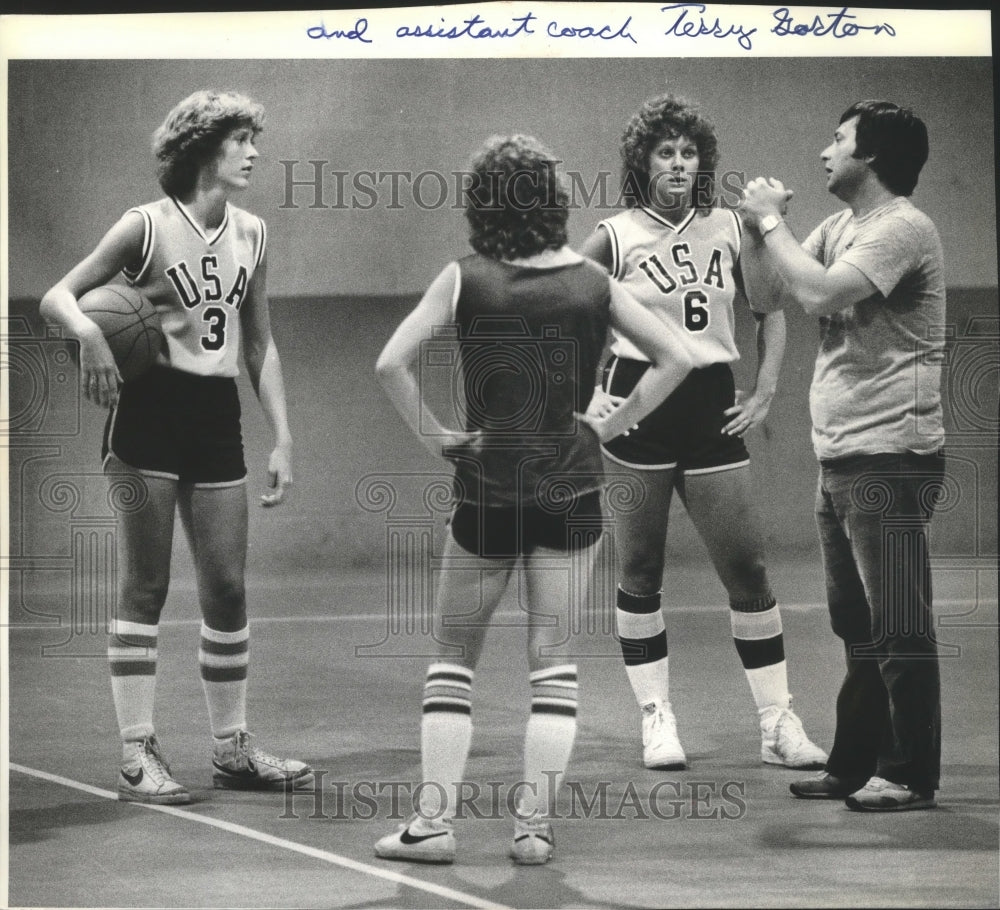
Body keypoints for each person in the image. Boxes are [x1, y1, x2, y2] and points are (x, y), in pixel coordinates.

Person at [373, 134, 693, 865]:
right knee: (553, 660)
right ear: (553, 203)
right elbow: (679, 355)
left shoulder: (463, 278)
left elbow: (389, 361)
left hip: (486, 485)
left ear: (483, 202)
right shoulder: (591, 282)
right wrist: (611, 421)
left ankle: (433, 825)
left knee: (454, 657)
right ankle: (534, 828)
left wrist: (436, 438)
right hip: (571, 487)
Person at [39, 90, 313, 804]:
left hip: (216, 413)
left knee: (226, 587)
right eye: (241, 139)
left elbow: (261, 343)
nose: (253, 151)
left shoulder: (252, 232)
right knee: (147, 586)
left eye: (255, 137)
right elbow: (57, 297)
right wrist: (92, 335)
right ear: (204, 148)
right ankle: (137, 754)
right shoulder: (146, 226)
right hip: (149, 411)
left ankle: (232, 748)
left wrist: (283, 435)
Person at [580, 92, 827, 771]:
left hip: (712, 404)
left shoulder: (730, 225)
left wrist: (769, 387)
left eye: (689, 152)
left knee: (747, 568)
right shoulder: (613, 235)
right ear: (641, 161)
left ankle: (777, 722)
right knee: (640, 569)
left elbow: (771, 310)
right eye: (666, 152)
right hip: (637, 407)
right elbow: (571, 317)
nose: (679, 163)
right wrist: (589, 400)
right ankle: (656, 717)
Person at [740, 100, 946, 811]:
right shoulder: (840, 227)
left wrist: (773, 223)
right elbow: (769, 291)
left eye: (839, 140)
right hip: (844, 459)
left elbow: (821, 290)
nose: (825, 151)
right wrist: (752, 232)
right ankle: (855, 764)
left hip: (891, 457)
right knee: (857, 625)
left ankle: (910, 773)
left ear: (875, 157)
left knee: (897, 623)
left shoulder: (901, 229)